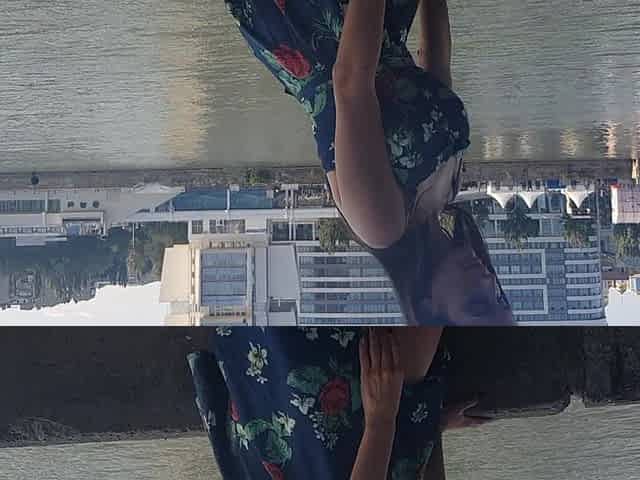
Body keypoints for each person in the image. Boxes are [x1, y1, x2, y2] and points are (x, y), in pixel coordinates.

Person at [223, 0, 512, 325]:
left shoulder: (381, 225)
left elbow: (350, 83)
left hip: (316, 25)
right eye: (499, 296)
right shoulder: (448, 192)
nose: (488, 282)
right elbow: (435, 61)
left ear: (429, 306)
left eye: (477, 304)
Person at [188, 327, 491, 479]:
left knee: (398, 354)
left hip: (330, 444)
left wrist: (382, 420)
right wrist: (427, 426)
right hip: (375, 447)